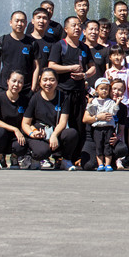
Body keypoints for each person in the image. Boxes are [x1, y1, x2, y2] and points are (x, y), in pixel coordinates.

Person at [47, 17, 96, 164]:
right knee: (60, 124)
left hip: (79, 92)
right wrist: (70, 68)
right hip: (63, 92)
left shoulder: (84, 47)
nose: (77, 28)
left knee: (79, 124)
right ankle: (57, 156)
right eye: (73, 25)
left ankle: (76, 156)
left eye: (79, 25)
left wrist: (85, 75)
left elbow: (92, 67)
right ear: (66, 29)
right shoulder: (59, 46)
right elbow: (51, 66)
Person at [21, 68, 79, 170]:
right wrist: (32, 134)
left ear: (57, 81)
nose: (48, 83)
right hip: (39, 133)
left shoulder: (63, 97)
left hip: (55, 131)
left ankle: (65, 160)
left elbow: (63, 122)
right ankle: (34, 158)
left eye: (52, 80)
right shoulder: (35, 98)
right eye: (45, 80)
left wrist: (54, 135)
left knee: (71, 133)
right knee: (41, 152)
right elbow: (25, 123)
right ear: (40, 81)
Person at [79, 78, 129, 171]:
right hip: (93, 136)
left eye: (120, 90)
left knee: (122, 149)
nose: (116, 92)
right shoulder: (95, 101)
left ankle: (110, 161)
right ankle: (99, 161)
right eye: (114, 89)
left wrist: (117, 137)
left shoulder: (122, 107)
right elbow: (85, 119)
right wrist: (98, 117)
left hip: (108, 135)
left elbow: (121, 129)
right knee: (88, 165)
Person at [0, 70, 30, 170]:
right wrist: (15, 129)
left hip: (15, 138)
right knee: (0, 132)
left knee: (24, 141)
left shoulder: (25, 100)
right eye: (13, 81)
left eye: (20, 82)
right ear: (7, 81)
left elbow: (27, 121)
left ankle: (14, 158)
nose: (16, 84)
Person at [0, 10, 40, 96]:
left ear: (26, 24)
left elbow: (36, 67)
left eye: (22, 21)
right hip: (5, 88)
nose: (19, 24)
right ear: (10, 22)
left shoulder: (32, 43)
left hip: (26, 89)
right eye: (17, 21)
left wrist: (32, 89)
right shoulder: (2, 41)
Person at [83, 19, 109, 84]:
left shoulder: (105, 50)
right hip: (81, 86)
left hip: (99, 87)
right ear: (84, 32)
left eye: (96, 30)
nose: (94, 32)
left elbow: (108, 71)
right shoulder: (79, 48)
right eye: (91, 29)